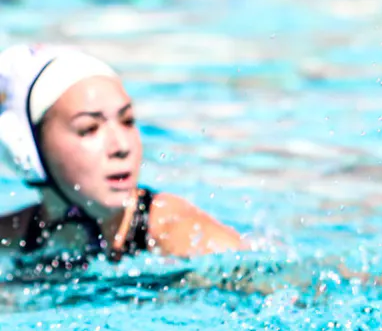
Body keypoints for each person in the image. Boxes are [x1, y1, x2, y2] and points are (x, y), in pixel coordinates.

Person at [0, 44, 243, 266]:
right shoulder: (15, 235)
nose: (121, 146)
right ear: (26, 151)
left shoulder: (182, 236)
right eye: (89, 129)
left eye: (127, 121)